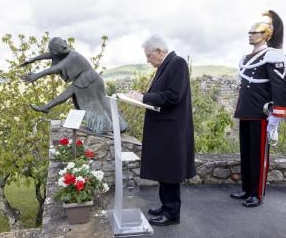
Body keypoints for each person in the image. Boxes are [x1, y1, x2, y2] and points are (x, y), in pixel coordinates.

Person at [126, 35, 196, 226]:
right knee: (165, 171)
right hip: (165, 128)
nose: (148, 60)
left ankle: (172, 213)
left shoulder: (178, 63)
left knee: (170, 172)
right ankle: (166, 206)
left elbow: (173, 95)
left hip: (172, 130)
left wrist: (144, 97)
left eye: (149, 56)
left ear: (159, 51)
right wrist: (142, 97)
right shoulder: (166, 65)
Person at [231, 10, 286, 207]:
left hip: (261, 113)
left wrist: (277, 115)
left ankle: (257, 194)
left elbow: (279, 85)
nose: (250, 35)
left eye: (254, 33)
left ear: (265, 35)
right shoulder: (246, 58)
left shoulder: (272, 56)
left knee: (258, 155)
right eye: (250, 32)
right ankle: (246, 189)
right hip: (246, 111)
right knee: (246, 153)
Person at [20, 37, 127, 134]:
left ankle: (47, 107)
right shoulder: (65, 52)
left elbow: (57, 67)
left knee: (81, 97)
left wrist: (37, 75)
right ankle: (119, 126)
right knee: (102, 101)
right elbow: (49, 55)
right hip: (89, 78)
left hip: (88, 80)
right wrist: (31, 60)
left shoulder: (73, 55)